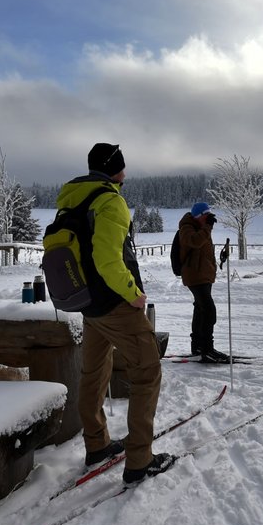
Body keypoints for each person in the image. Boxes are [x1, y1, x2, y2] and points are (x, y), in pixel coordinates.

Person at [56, 142, 174, 485]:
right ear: (115, 169)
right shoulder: (110, 200)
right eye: (122, 166)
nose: (126, 172)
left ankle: (97, 445)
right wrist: (133, 295)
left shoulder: (72, 198)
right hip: (114, 302)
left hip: (86, 301)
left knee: (94, 370)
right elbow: (108, 260)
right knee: (147, 371)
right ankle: (140, 460)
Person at [177, 202, 229, 363]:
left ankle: (198, 346)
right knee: (208, 310)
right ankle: (207, 349)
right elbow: (194, 242)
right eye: (206, 216)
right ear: (198, 216)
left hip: (203, 275)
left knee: (200, 309)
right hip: (195, 276)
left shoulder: (200, 226)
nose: (208, 219)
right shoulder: (187, 227)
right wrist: (207, 227)